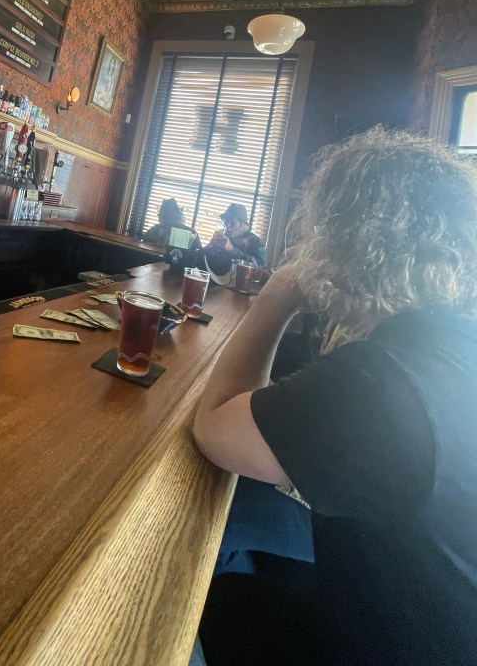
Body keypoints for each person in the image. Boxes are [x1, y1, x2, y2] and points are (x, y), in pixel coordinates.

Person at [193, 128, 477, 666]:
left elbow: (213, 427)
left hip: (388, 641)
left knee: (170, 588)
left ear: (348, 240)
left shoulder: (383, 382)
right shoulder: (450, 347)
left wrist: (279, 292)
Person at [201, 203, 267, 281]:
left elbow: (260, 267)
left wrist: (232, 249)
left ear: (243, 225)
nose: (227, 226)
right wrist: (209, 245)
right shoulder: (222, 236)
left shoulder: (256, 242)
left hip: (241, 283)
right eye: (226, 221)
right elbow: (204, 260)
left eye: (232, 222)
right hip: (217, 280)